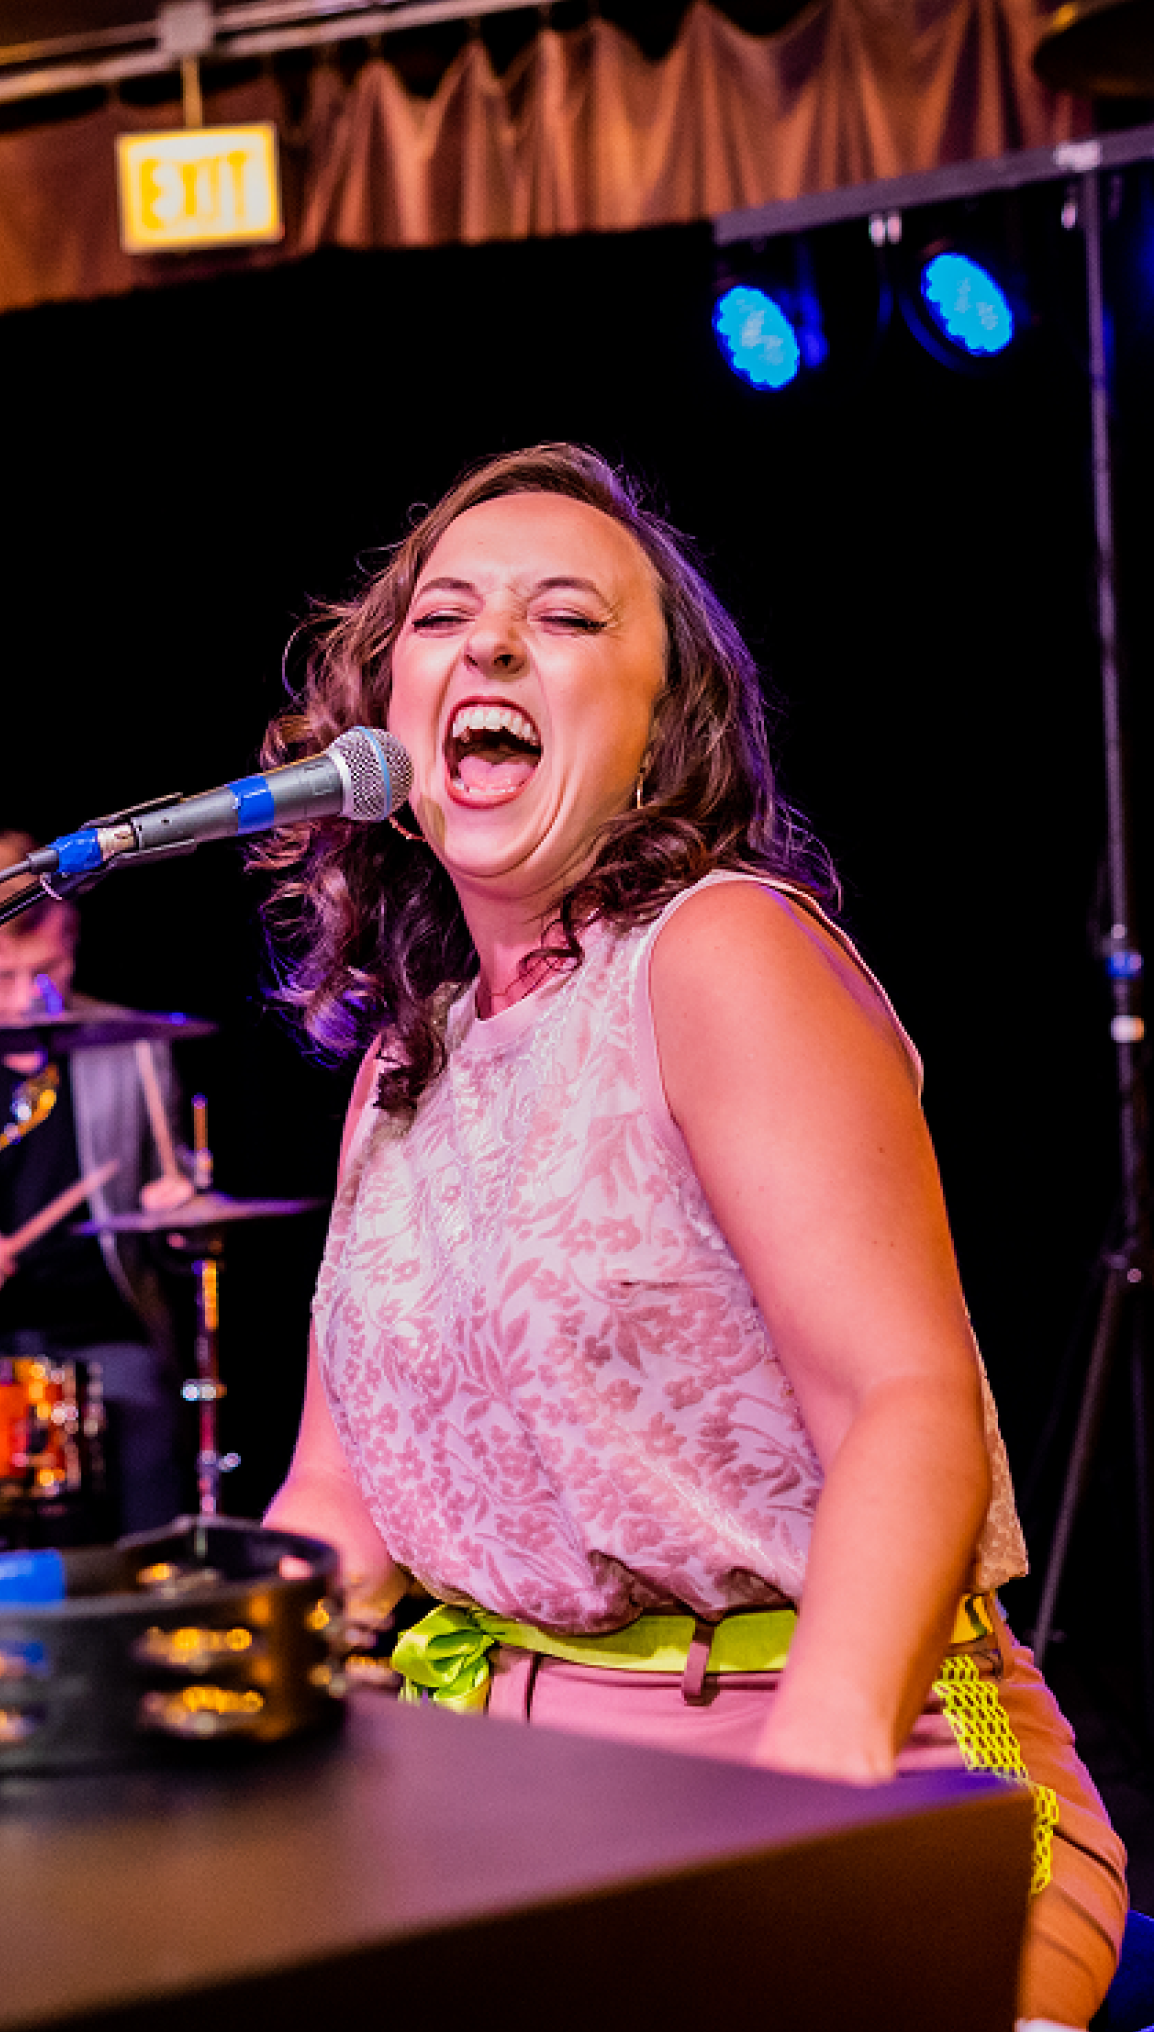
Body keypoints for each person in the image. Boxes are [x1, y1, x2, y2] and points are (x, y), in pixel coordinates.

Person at [259, 445, 1126, 2028]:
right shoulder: (403, 1065)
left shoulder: (721, 953)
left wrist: (789, 1840)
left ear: (665, 731)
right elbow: (337, 1503)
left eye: (564, 616)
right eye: (443, 616)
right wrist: (186, 1697)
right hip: (503, 1804)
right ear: (384, 717)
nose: (492, 642)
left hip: (855, 1760)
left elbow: (903, 1408)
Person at [0, 831, 193, 1537]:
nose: (27, 999)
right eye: (3, 976)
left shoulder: (134, 1046)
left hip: (110, 1336)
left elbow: (174, 1220)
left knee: (151, 1506)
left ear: (71, 936)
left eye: (46, 971)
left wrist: (178, 1214)